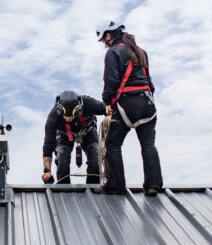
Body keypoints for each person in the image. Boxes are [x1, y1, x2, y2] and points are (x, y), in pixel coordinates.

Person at [93, 20, 163, 195]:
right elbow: (149, 82)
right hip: (147, 104)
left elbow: (111, 82)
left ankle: (116, 185)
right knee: (148, 145)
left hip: (126, 104)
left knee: (113, 144)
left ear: (109, 35)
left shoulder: (113, 53)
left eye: (103, 39)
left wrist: (107, 103)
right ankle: (153, 185)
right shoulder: (141, 52)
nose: (103, 43)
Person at [41, 89, 105, 184]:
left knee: (95, 156)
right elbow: (48, 146)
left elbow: (107, 109)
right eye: (65, 115)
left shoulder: (88, 102)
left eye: (72, 115)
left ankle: (94, 186)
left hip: (88, 131)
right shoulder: (53, 117)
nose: (69, 118)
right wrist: (47, 171)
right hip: (64, 134)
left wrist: (109, 116)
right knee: (62, 156)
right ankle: (63, 188)